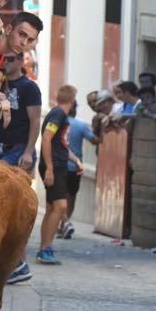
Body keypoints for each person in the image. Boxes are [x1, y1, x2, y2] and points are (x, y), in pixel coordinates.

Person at [37, 85, 77, 266]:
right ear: (73, 100)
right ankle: (46, 249)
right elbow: (46, 138)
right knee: (60, 207)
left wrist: (75, 160)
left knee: (52, 209)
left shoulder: (58, 115)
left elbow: (59, 143)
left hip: (58, 165)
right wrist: (50, 168)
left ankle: (44, 247)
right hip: (55, 167)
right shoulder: (58, 114)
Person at [58, 102, 96, 240]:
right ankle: (65, 222)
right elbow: (94, 140)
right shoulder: (81, 125)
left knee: (58, 197)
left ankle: (64, 223)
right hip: (75, 167)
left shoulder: (58, 123)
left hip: (60, 165)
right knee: (71, 196)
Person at [0, 11, 42, 76]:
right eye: (21, 34)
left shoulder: (2, 59)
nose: (24, 43)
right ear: (8, 29)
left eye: (30, 40)